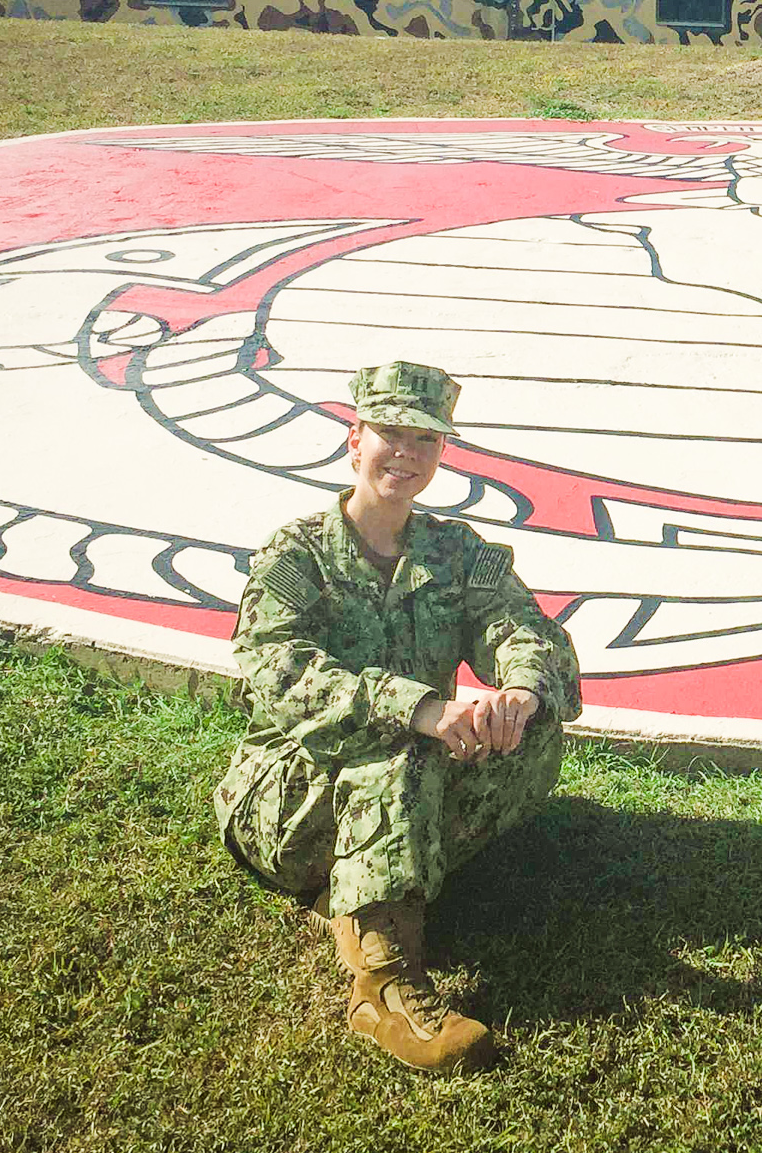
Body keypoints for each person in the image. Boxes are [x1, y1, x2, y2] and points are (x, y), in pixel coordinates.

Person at [213, 361, 582, 1072]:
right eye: (390, 434)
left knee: (533, 735)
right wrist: (416, 709)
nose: (407, 454)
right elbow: (276, 669)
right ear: (355, 441)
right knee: (404, 748)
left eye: (427, 440)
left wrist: (519, 693)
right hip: (285, 795)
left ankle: (361, 892)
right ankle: (384, 988)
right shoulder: (300, 554)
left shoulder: (454, 551)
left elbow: (523, 626)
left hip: (392, 781)